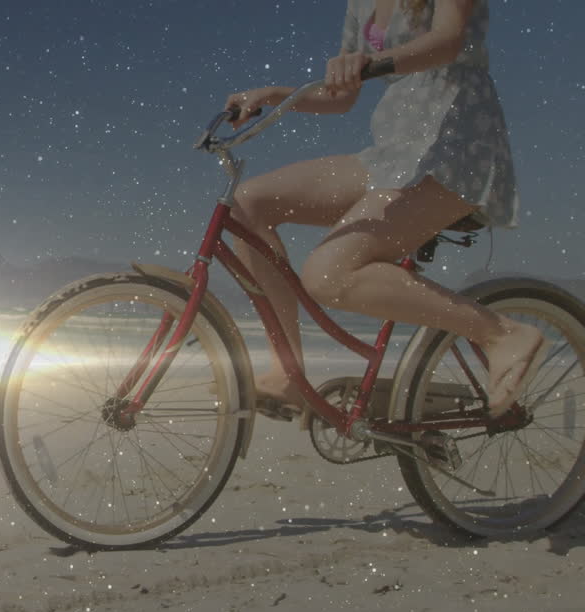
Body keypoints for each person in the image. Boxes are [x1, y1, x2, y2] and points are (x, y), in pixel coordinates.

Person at [223, 0, 543, 421]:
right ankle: (287, 373)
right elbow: (341, 95)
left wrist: (369, 60)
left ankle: (502, 333)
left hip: (456, 147)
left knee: (328, 275)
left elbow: (447, 41)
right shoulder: (361, 4)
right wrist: (275, 94)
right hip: (393, 151)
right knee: (248, 204)